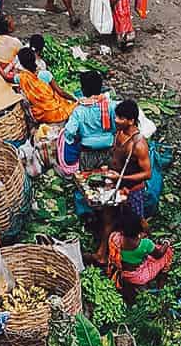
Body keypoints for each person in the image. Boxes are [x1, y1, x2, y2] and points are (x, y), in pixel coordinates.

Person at [87, 97, 150, 261]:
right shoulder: (119, 133)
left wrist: (121, 176)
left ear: (131, 121)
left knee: (136, 224)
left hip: (132, 190)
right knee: (108, 219)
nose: (116, 120)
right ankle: (101, 254)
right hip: (115, 184)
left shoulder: (139, 145)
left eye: (121, 118)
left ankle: (146, 250)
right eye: (116, 116)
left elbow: (147, 173)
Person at [61, 67, 116, 170]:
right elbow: (117, 125)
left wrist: (74, 140)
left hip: (87, 152)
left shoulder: (79, 110)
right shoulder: (111, 106)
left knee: (88, 178)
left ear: (83, 90)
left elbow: (69, 131)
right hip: (109, 150)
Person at [107, 219, 173, 295]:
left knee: (142, 255)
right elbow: (159, 254)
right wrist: (166, 243)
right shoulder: (145, 243)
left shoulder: (114, 238)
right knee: (167, 252)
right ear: (139, 231)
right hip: (137, 277)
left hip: (121, 270)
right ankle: (162, 280)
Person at [0, 14, 23, 79]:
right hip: (6, 71)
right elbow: (24, 53)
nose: (14, 23)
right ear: (8, 28)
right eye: (12, 23)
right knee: (19, 57)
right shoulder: (16, 42)